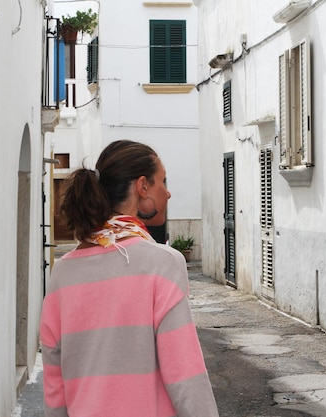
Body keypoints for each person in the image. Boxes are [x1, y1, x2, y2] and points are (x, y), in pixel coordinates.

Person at [39, 140, 219, 417]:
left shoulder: (63, 272)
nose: (168, 194)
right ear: (142, 186)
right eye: (162, 181)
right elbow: (185, 374)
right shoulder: (164, 263)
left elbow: (54, 380)